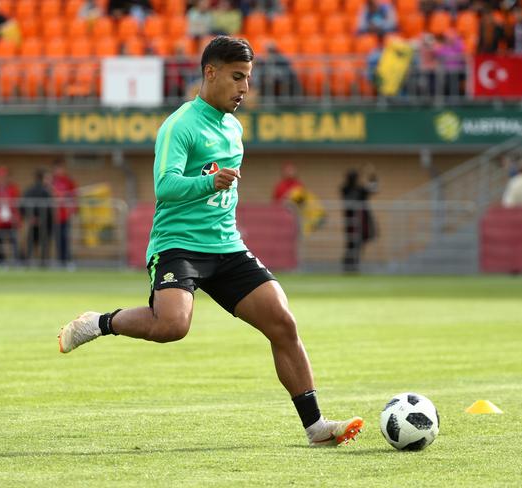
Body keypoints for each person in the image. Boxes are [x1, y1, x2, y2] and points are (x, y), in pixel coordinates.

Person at [58, 36, 363, 448]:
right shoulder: (180, 125)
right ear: (210, 72)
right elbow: (164, 186)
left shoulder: (234, 128)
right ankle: (98, 323)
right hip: (178, 244)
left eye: (249, 79)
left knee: (283, 323)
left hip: (226, 246)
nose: (244, 88)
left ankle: (315, 427)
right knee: (171, 326)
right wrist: (207, 182)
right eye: (237, 77)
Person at [340, 166, 378, 273]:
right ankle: (348, 265)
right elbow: (349, 198)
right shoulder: (345, 188)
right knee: (351, 243)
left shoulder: (360, 189)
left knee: (359, 242)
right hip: (351, 221)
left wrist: (373, 176)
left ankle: (354, 265)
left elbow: (374, 188)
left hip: (362, 220)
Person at [0, 165, 20, 265]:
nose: (2, 179)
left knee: (13, 241)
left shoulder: (13, 188)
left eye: (4, 176)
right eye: (0, 176)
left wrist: (16, 216)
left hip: (10, 220)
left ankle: (16, 260)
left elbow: (17, 203)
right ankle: (0, 261)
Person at [20, 169, 54, 267]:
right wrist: (39, 218)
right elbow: (50, 209)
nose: (49, 181)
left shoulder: (28, 190)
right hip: (44, 223)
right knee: (43, 244)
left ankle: (25, 263)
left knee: (30, 243)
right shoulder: (45, 192)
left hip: (32, 222)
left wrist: (29, 217)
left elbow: (21, 206)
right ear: (42, 178)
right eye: (47, 178)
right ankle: (43, 264)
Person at [51, 159, 77, 267]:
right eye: (57, 169)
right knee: (58, 239)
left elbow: (73, 196)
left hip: (66, 215)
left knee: (66, 238)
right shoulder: (52, 182)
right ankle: (60, 260)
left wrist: (73, 208)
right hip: (55, 216)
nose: (59, 171)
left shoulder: (68, 181)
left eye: (61, 168)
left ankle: (68, 260)